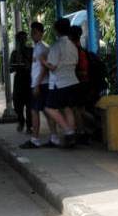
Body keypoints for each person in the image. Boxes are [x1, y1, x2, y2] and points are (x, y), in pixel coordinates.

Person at [20, 22, 61, 149]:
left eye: (35, 32)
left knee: (34, 111)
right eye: (32, 32)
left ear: (41, 33)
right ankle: (54, 138)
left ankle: (35, 139)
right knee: (46, 112)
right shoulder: (38, 46)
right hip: (42, 83)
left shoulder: (42, 47)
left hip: (40, 84)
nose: (33, 35)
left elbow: (44, 68)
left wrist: (37, 84)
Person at [41, 18, 79, 147]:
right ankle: (71, 134)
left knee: (49, 108)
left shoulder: (56, 46)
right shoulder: (73, 45)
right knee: (67, 108)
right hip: (73, 81)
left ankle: (68, 131)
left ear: (56, 30)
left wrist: (43, 61)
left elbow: (52, 66)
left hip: (60, 83)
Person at [69, 25, 91, 144]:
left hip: (80, 83)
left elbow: (83, 71)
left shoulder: (78, 51)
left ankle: (83, 132)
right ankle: (83, 131)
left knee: (77, 109)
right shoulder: (78, 49)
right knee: (78, 109)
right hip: (80, 83)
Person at [10, 31, 33, 133]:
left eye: (23, 39)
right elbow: (10, 69)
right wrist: (15, 66)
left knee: (29, 105)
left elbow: (35, 64)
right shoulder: (14, 53)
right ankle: (21, 121)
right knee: (17, 104)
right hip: (18, 80)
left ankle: (29, 126)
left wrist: (28, 65)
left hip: (28, 79)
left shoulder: (31, 50)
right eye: (19, 39)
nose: (21, 41)